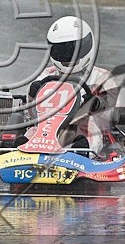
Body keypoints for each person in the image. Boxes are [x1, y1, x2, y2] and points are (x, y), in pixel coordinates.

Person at [26, 16, 118, 156]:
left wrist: (96, 104)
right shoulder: (45, 76)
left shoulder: (102, 77)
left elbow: (110, 114)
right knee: (36, 128)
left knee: (90, 125)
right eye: (62, 50)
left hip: (85, 128)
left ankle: (82, 152)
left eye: (74, 49)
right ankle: (23, 148)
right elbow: (32, 114)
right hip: (49, 125)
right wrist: (32, 95)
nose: (69, 55)